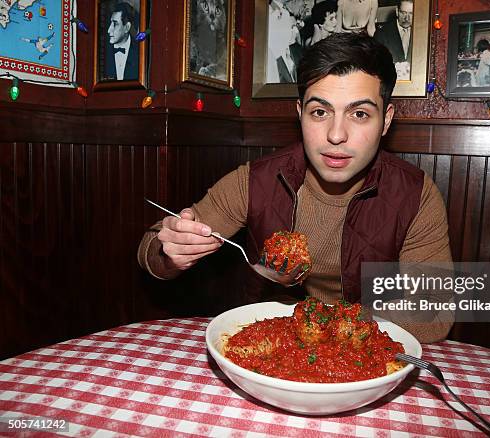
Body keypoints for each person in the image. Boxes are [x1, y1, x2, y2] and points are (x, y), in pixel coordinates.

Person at [137, 33, 452, 343]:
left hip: (362, 350)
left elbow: (435, 315)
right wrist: (170, 252)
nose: (336, 135)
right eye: (320, 112)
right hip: (270, 345)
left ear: (385, 120)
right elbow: (150, 246)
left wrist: (319, 320)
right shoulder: (256, 181)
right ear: (300, 114)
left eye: (359, 114)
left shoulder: (415, 195)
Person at [374, 0, 413, 79]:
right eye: (403, 13)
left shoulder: (421, 32)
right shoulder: (382, 33)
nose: (407, 18)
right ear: (397, 11)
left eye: (411, 14)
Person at [105, 2, 138, 81]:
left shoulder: (141, 52)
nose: (109, 30)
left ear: (127, 27)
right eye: (110, 23)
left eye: (115, 24)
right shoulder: (101, 51)